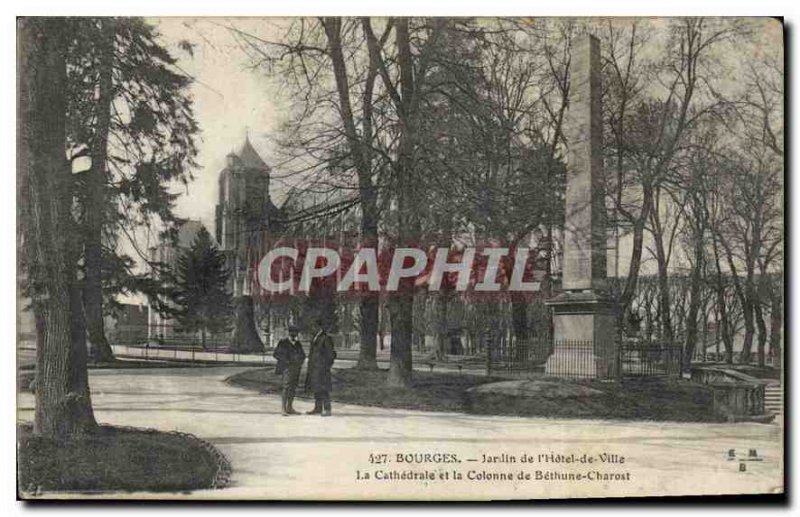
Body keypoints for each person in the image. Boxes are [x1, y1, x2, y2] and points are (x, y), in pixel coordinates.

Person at [304, 321, 337, 416]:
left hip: (322, 368)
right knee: (316, 388)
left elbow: (331, 354)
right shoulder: (315, 338)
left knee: (324, 389)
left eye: (313, 327)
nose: (312, 329)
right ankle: (317, 408)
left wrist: (326, 366)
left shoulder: (325, 338)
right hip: (314, 368)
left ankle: (327, 409)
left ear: (318, 327)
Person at [273, 325, 306, 416]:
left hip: (296, 368)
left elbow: (302, 355)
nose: (294, 334)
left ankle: (290, 407)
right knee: (286, 387)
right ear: (289, 332)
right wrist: (286, 361)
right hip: (286, 368)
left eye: (296, 333)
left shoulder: (298, 344)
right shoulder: (283, 343)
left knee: (293, 387)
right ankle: (283, 408)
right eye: (292, 332)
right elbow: (276, 354)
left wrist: (300, 361)